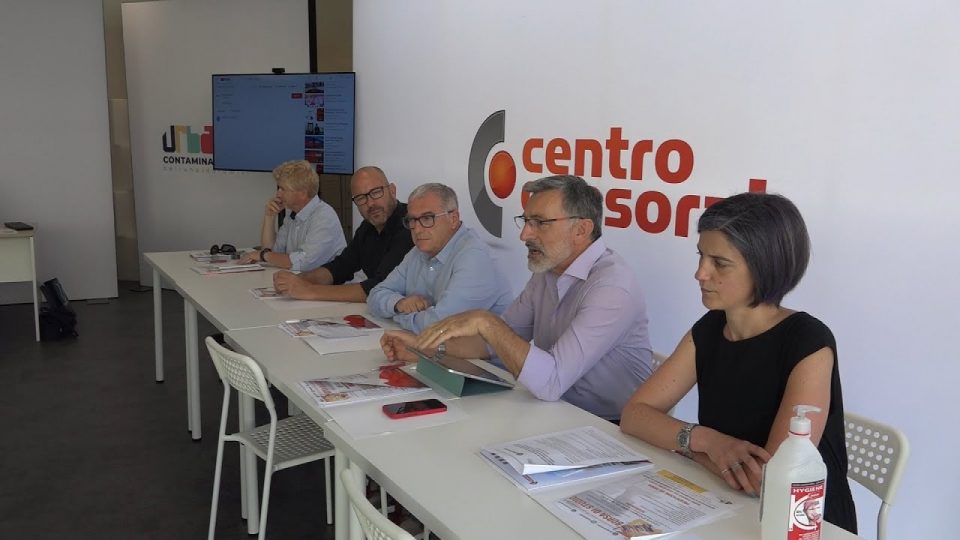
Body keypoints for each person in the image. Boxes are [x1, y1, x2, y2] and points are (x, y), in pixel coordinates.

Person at [618, 192, 856, 533]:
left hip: (802, 523)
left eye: (720, 263)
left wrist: (684, 445)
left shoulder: (809, 342)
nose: (700, 273)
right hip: (725, 503)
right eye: (701, 256)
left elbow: (767, 480)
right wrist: (708, 443)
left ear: (764, 268)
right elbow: (634, 415)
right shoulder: (711, 327)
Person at [381, 175, 654, 421]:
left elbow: (550, 381)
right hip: (554, 411)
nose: (525, 235)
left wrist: (487, 322)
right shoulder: (548, 271)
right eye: (525, 222)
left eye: (540, 224)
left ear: (581, 230)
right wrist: (423, 348)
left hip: (608, 428)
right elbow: (492, 346)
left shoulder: (612, 287)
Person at [366, 182, 513, 333]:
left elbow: (440, 325)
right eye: (412, 220)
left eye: (427, 218)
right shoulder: (418, 251)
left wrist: (398, 315)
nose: (417, 229)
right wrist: (399, 304)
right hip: (436, 349)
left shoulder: (475, 257)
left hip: (478, 355)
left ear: (453, 218)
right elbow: (374, 295)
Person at [272, 166, 414, 302]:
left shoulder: (410, 226)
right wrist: (301, 279)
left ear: (392, 190)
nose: (370, 203)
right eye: (360, 198)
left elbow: (379, 287)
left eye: (376, 192)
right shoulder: (368, 227)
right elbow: (340, 267)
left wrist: (309, 290)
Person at [239, 159, 345, 271]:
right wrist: (269, 216)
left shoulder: (324, 217)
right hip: (306, 281)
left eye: (283, 189)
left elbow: (303, 263)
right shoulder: (292, 216)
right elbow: (272, 252)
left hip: (331, 286)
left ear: (303, 193)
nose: (278, 194)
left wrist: (262, 255)